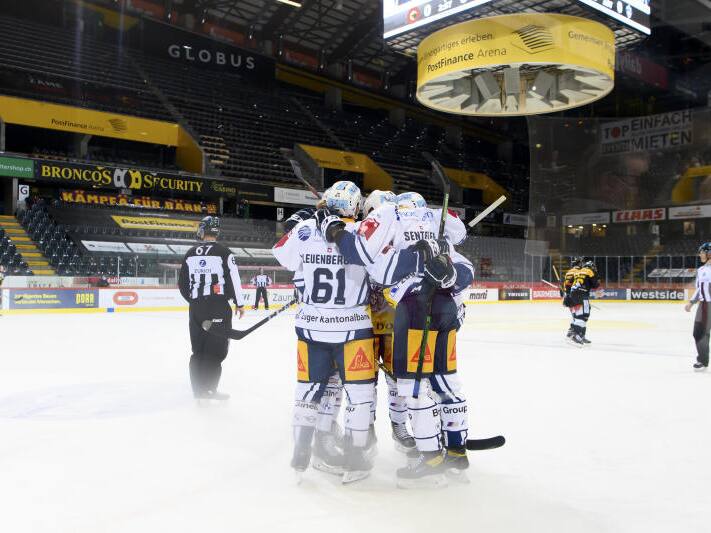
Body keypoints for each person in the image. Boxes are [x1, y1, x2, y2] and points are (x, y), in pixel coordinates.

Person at [317, 190, 474, 488]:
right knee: (444, 383)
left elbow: (375, 265)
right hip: (437, 311)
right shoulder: (437, 238)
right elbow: (465, 270)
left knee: (410, 388)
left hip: (411, 314)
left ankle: (429, 458)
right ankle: (455, 452)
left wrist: (334, 230)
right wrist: (448, 274)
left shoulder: (393, 231)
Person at [272, 181, 376, 484]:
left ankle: (301, 455)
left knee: (307, 392)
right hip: (353, 328)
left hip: (312, 326)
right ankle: (355, 459)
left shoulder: (306, 229)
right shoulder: (361, 232)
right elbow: (381, 271)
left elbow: (283, 255)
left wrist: (300, 223)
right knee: (359, 395)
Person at [178, 216, 246, 402]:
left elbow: (182, 284)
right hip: (218, 307)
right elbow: (234, 279)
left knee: (198, 350)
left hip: (196, 307)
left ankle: (198, 390)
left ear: (203, 230)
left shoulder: (190, 253)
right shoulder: (225, 253)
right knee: (215, 350)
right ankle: (209, 390)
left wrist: (195, 301)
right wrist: (239, 303)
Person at [685, 242, 711, 371]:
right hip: (704, 305)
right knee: (699, 332)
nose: (700, 254)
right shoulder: (701, 270)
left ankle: (702, 361)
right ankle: (702, 361)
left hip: (708, 305)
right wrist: (691, 302)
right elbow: (699, 289)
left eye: (702, 252)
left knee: (701, 332)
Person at [566, 259, 600, 346]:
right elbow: (596, 285)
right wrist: (596, 278)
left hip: (573, 294)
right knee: (584, 315)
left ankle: (579, 335)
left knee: (579, 315)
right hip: (582, 294)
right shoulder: (590, 271)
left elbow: (568, 284)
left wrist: (568, 294)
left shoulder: (578, 271)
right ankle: (576, 335)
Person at [561, 257, 583, 339]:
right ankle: (574, 332)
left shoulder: (568, 272)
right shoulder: (579, 272)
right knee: (578, 315)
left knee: (574, 314)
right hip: (576, 296)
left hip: (568, 296)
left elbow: (565, 285)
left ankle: (572, 331)